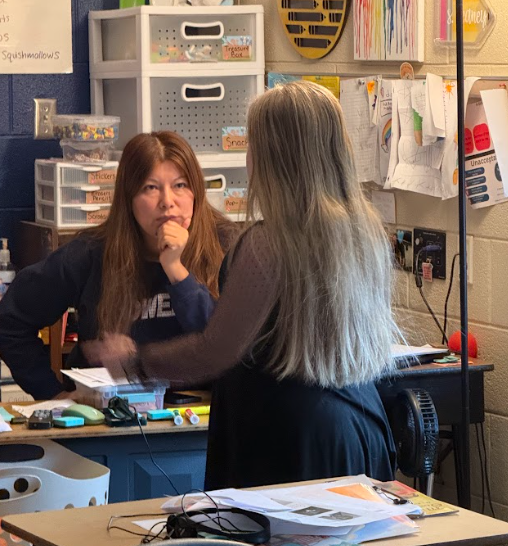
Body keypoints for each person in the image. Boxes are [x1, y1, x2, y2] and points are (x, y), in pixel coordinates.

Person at [84, 82, 399, 490]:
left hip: (291, 440)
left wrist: (134, 362)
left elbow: (218, 350)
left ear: (274, 157)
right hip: (359, 427)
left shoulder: (268, 243)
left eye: (253, 146)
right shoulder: (366, 232)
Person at [0, 131, 237, 400]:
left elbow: (225, 344)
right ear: (129, 198)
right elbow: (10, 321)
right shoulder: (91, 252)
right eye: (151, 187)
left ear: (197, 192)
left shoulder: (225, 245)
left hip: (203, 419)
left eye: (181, 185)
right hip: (113, 417)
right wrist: (52, 394)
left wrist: (176, 270)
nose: (168, 201)